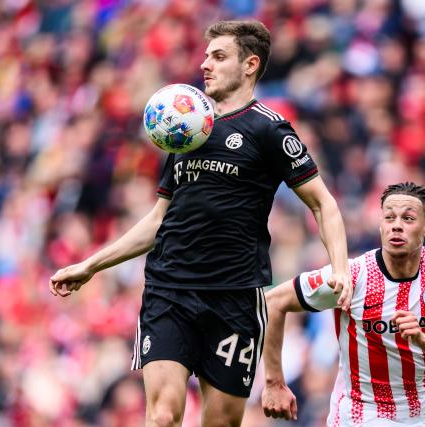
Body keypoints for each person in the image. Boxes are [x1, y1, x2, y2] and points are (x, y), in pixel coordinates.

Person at [49, 20, 352, 427]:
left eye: (219, 56)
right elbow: (159, 220)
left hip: (235, 297)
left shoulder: (269, 129)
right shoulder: (184, 130)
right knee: (162, 417)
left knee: (222, 423)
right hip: (169, 288)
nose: (205, 64)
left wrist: (340, 268)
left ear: (250, 65)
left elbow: (323, 204)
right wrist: (91, 265)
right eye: (206, 55)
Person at [262, 182, 425, 426]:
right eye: (389, 217)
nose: (396, 225)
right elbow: (274, 301)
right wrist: (274, 382)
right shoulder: (353, 275)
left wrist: (422, 339)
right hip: (363, 411)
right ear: (381, 224)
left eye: (408, 218)